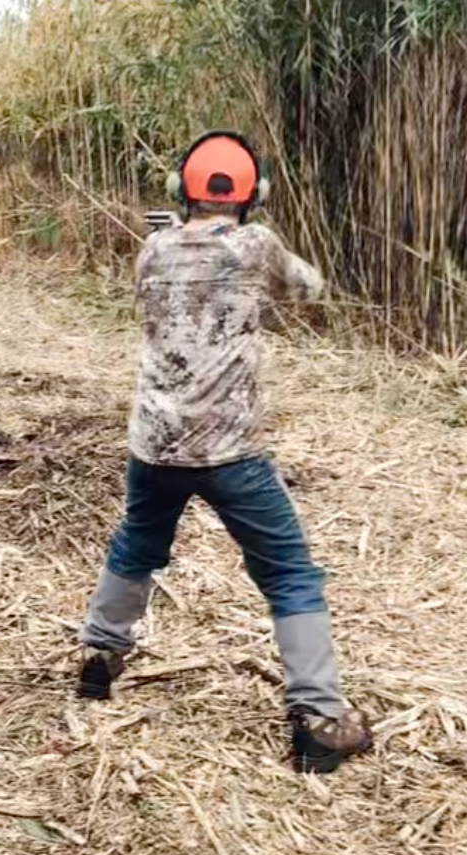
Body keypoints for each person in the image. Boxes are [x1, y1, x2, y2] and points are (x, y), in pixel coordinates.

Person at [75, 131, 373, 774]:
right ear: (253, 197)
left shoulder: (152, 248)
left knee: (136, 545)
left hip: (153, 446)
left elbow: (156, 297)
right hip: (231, 451)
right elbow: (307, 288)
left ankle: (99, 658)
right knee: (291, 573)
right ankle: (320, 720)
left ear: (179, 192)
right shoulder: (256, 246)